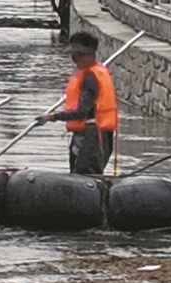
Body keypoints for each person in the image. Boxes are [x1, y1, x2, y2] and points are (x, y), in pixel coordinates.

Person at [39, 30, 118, 176]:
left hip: (92, 136)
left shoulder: (90, 77)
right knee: (77, 173)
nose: (76, 60)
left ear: (89, 55)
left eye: (79, 56)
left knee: (86, 174)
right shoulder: (92, 73)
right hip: (88, 134)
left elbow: (82, 112)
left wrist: (52, 117)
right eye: (74, 56)